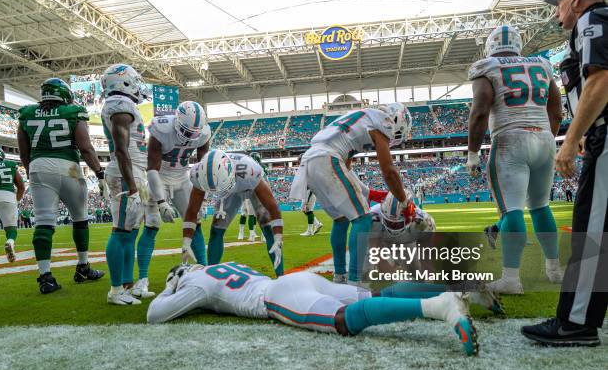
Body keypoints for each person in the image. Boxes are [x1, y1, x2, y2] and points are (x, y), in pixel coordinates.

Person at [146, 262, 498, 357]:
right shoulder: (221, 266)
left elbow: (156, 315)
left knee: (342, 322)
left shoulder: (196, 283)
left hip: (277, 297)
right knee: (372, 296)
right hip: (300, 280)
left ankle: (441, 306)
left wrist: (171, 285)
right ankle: (453, 282)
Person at [522, 0, 608, 347]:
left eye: (557, 3)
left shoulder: (593, 19)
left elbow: (601, 80)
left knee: (592, 232)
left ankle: (575, 323)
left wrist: (572, 139)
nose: (556, 13)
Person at [467, 25, 564, 294]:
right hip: (544, 138)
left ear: (490, 46)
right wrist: (546, 138)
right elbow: (556, 109)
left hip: (510, 138)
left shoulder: (487, 66)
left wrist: (473, 152)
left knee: (511, 210)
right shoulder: (542, 65)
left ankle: (511, 278)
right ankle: (554, 269)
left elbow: (480, 109)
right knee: (541, 207)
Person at [290, 104, 412, 285]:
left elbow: (346, 169)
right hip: (327, 158)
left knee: (341, 219)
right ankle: (355, 280)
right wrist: (403, 201)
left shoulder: (359, 119)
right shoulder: (383, 122)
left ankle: (340, 276)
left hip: (310, 162)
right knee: (363, 219)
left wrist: (369, 192)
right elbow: (389, 171)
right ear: (396, 120)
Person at [17, 78, 106, 294]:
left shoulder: (27, 113)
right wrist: (99, 173)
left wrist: (32, 171)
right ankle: (83, 266)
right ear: (63, 94)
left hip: (39, 165)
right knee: (80, 218)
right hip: (69, 168)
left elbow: (23, 152)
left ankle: (45, 276)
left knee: (43, 221)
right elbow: (85, 148)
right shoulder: (73, 111)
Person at [145, 101, 211, 296]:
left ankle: (204, 271)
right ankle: (142, 280)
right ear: (177, 122)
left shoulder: (204, 132)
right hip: (159, 177)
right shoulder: (161, 128)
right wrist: (161, 201)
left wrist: (203, 193)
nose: (190, 137)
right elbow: (152, 168)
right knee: (151, 224)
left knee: (195, 222)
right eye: (187, 131)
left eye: (194, 133)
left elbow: (203, 167)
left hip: (182, 178)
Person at [183, 150, 284, 276]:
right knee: (216, 230)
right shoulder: (198, 174)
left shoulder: (250, 171)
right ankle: (211, 276)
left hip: (249, 186)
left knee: (268, 229)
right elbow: (192, 210)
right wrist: (186, 242)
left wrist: (278, 237)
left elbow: (273, 207)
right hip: (227, 188)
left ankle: (281, 276)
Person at [101, 63, 151, 305]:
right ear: (125, 81)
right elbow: (121, 150)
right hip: (125, 173)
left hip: (132, 171)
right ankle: (115, 290)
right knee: (120, 231)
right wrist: (131, 185)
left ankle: (126, 285)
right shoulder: (119, 105)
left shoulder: (124, 104)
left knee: (130, 232)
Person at [0, 146, 25, 264]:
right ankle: (10, 241)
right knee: (11, 228)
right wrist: (16, 200)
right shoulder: (9, 164)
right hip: (8, 196)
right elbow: (21, 186)